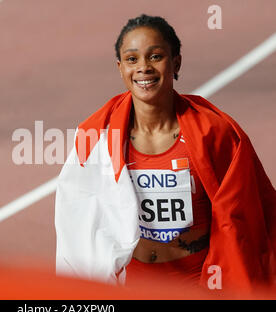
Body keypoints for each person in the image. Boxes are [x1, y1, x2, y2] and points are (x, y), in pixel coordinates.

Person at [55, 14, 276, 293]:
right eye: (132, 59)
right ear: (120, 68)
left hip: (196, 284)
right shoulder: (97, 137)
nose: (143, 68)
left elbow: (248, 217)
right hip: (133, 286)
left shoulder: (215, 134)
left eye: (155, 56)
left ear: (176, 62)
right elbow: (77, 220)